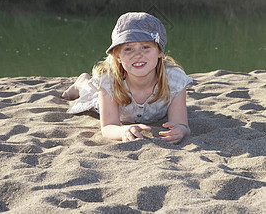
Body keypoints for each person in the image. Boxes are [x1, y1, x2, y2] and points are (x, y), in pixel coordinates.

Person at [62, 12, 192, 143]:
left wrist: (180, 130)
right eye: (128, 49)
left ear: (159, 51)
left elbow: (182, 124)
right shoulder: (108, 80)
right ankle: (82, 82)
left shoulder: (175, 79)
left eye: (145, 47)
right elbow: (107, 127)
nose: (138, 55)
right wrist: (122, 131)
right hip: (104, 99)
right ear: (118, 55)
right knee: (90, 92)